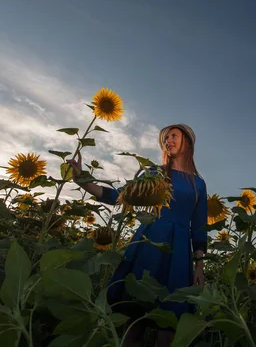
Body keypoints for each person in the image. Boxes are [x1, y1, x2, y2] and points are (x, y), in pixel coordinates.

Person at [67, 124, 208, 347]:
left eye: (173, 136)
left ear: (187, 143)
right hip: (149, 241)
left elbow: (199, 226)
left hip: (179, 250)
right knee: (134, 317)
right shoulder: (154, 172)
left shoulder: (198, 184)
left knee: (169, 322)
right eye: (165, 138)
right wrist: (82, 181)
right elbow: (120, 196)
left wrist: (199, 264)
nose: (167, 141)